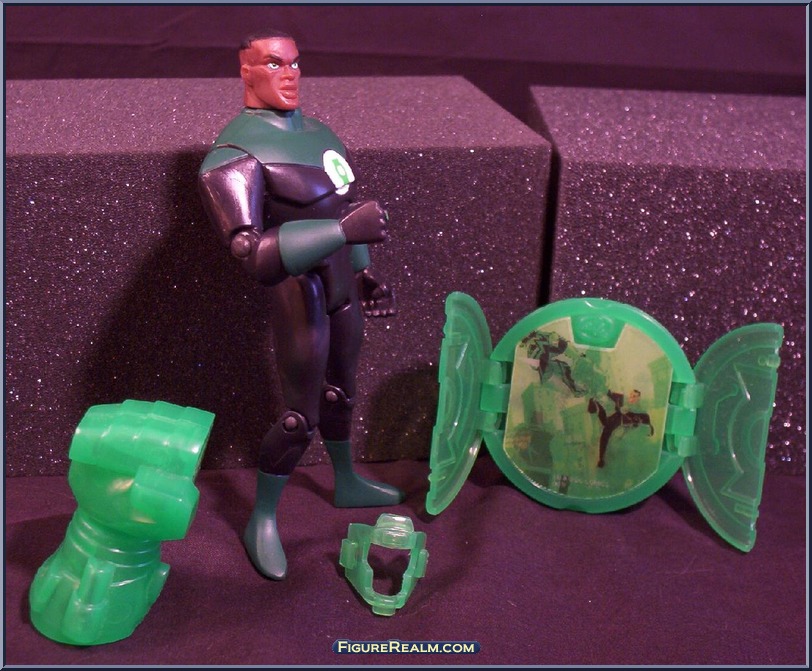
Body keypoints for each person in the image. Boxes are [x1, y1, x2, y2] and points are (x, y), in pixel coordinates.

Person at [198, 30, 403, 580]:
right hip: (298, 291)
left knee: (342, 391)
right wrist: (342, 233)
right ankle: (262, 517)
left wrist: (363, 271)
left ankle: (346, 480)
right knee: (298, 418)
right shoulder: (232, 155)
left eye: (294, 62)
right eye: (273, 63)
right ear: (245, 71)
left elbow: (344, 204)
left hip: (340, 285)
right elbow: (253, 254)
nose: (288, 73)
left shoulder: (321, 134)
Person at [587, 389, 653, 467]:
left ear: (638, 398)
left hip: (629, 435)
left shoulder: (642, 413)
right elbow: (609, 394)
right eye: (631, 396)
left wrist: (645, 428)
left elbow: (648, 427)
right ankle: (601, 458)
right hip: (618, 419)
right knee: (606, 430)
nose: (631, 398)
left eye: (634, 396)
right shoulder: (620, 400)